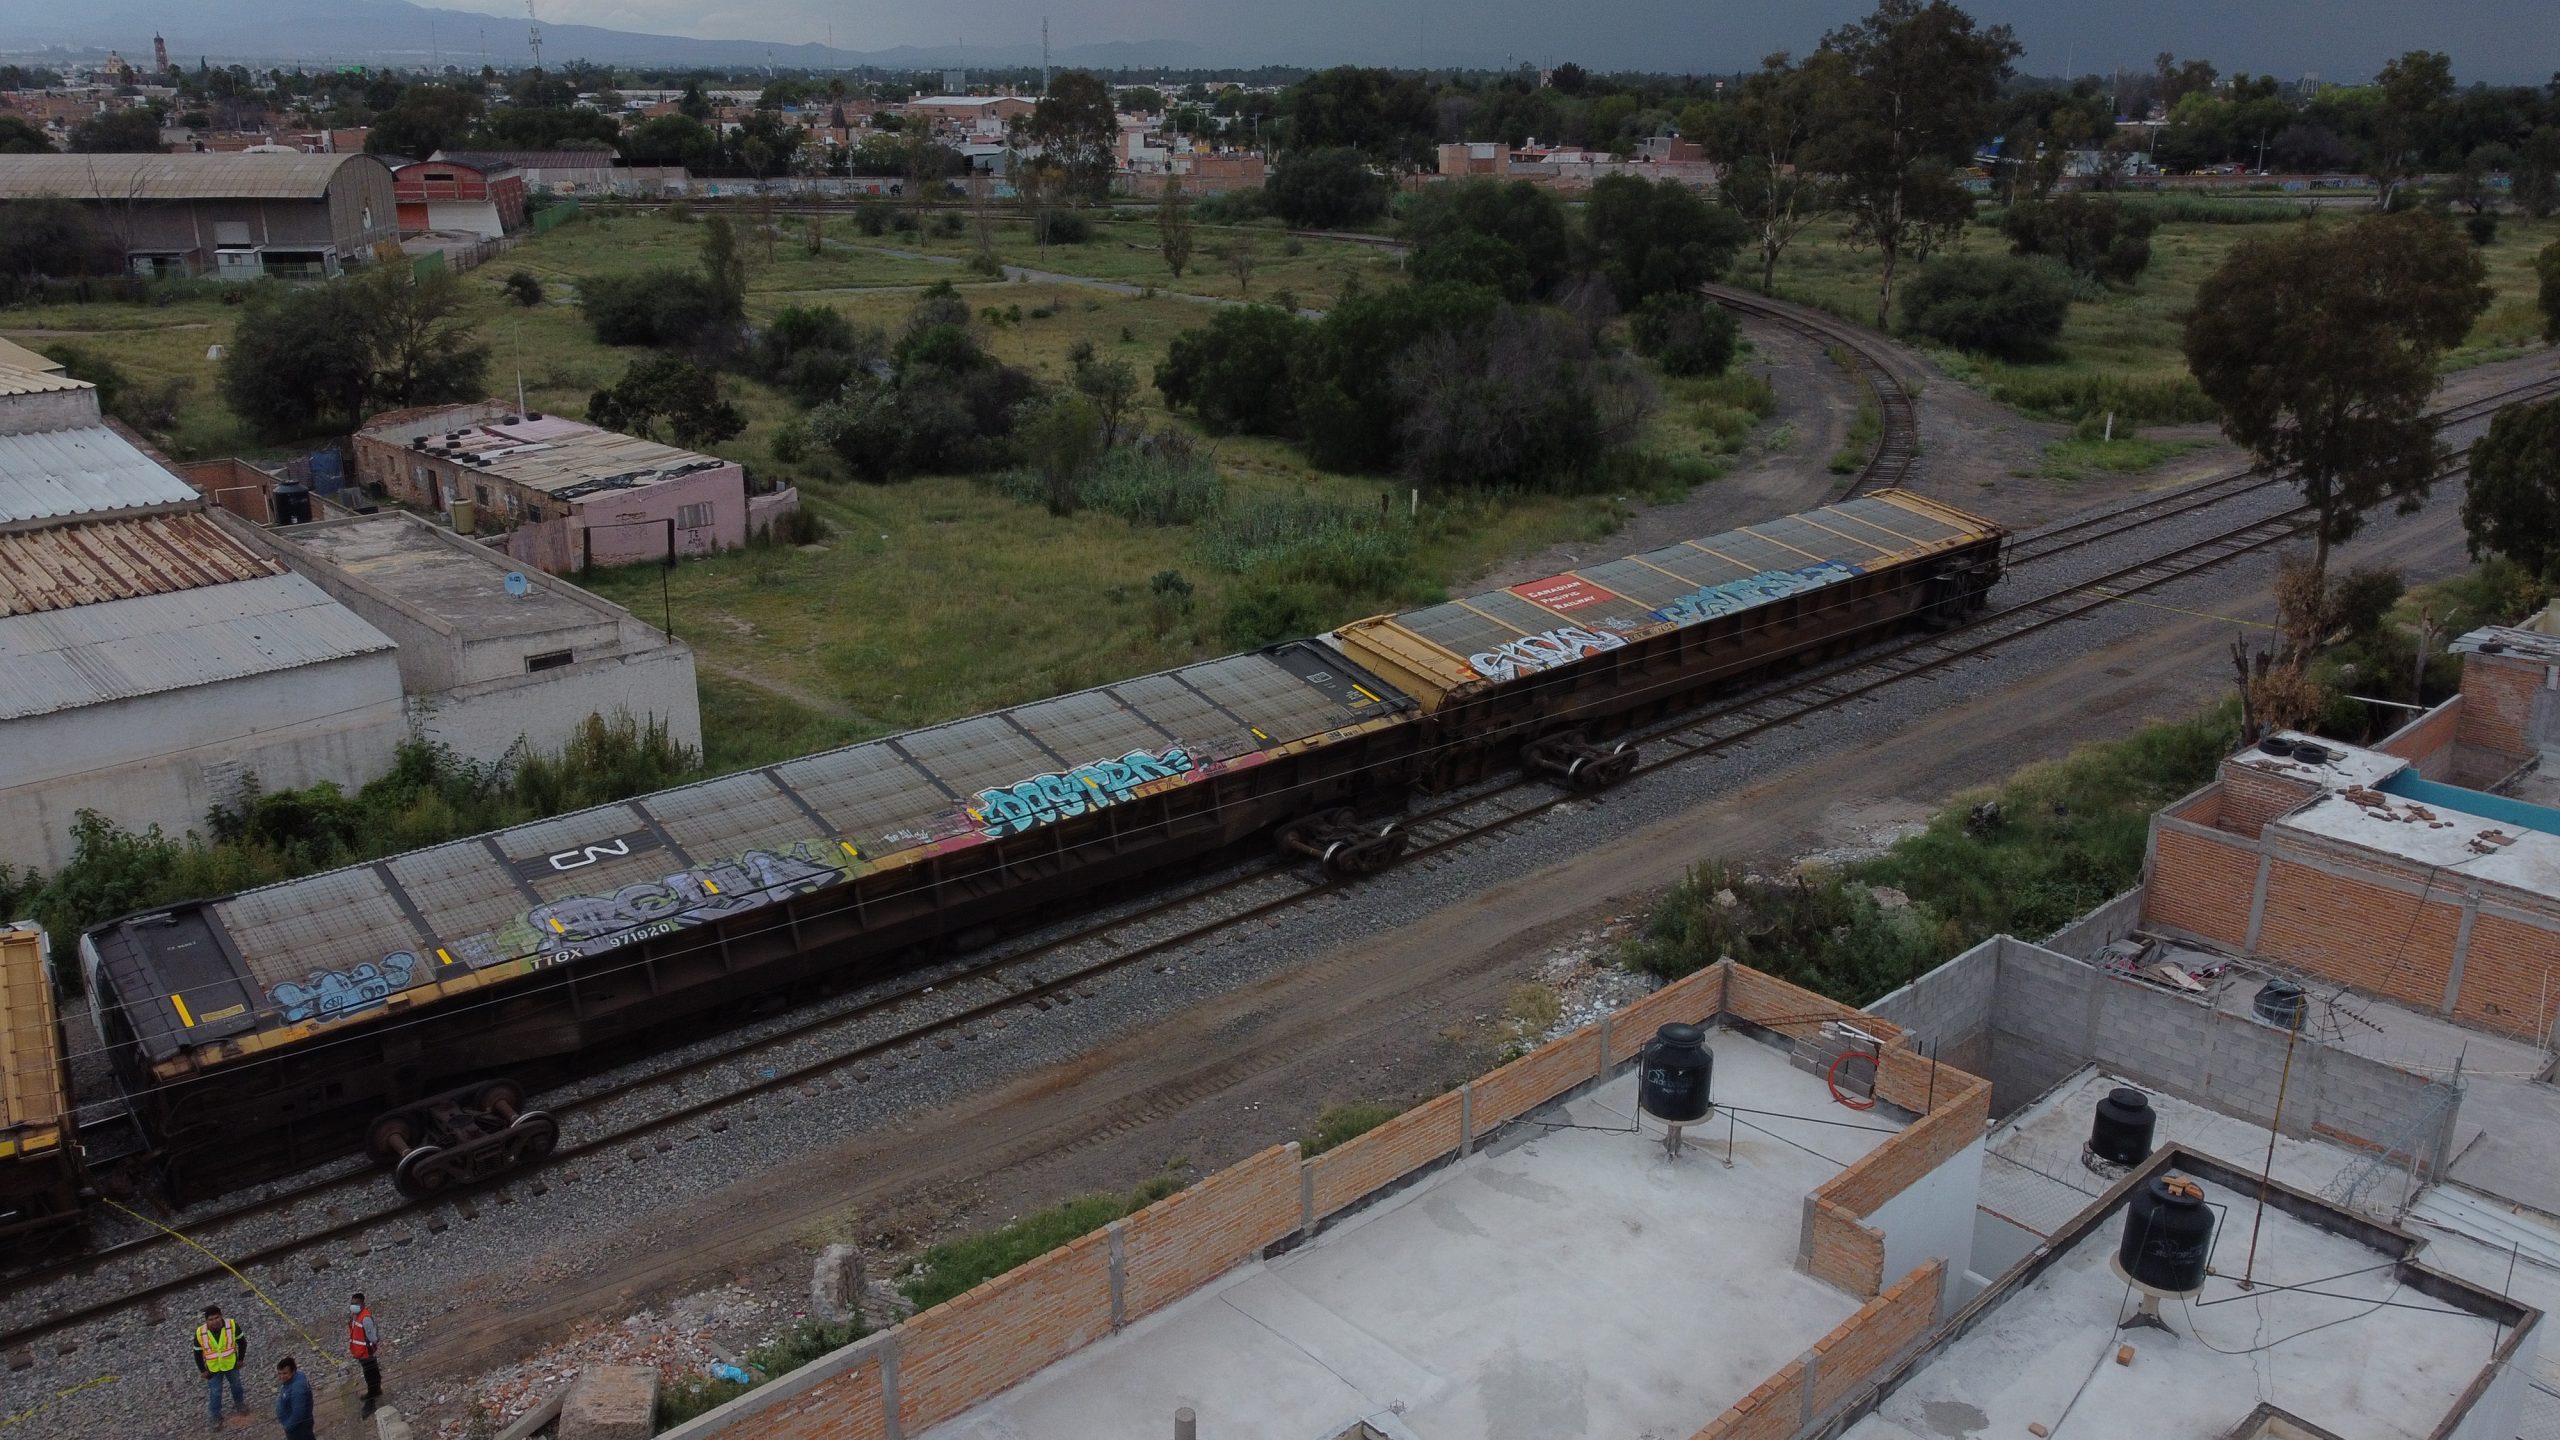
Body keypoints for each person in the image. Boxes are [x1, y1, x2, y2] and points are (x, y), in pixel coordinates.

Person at [193, 1304, 247, 1432]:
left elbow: (242, 1342)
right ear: (206, 1321)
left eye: (216, 1318)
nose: (214, 1321)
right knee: (215, 1392)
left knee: (237, 1385)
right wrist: (202, 1370)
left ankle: (239, 1404)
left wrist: (240, 1359)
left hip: (231, 1364)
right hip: (213, 1368)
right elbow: (197, 1353)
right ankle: (215, 1417)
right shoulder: (200, 1332)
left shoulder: (231, 1325)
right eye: (211, 1319)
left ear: (221, 1316)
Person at [348, 1292, 383, 1417]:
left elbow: (373, 1338)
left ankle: (371, 1401)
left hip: (366, 1353)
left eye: (356, 1303)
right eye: (352, 1303)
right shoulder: (355, 1316)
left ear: (363, 1303)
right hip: (361, 1353)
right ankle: (376, 1391)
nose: (353, 1306)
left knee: (370, 1377)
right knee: (372, 1374)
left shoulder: (365, 1318)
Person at [274, 1357, 314, 1440]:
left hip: (299, 1428)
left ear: (293, 1371)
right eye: (279, 1373)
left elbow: (299, 1412)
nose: (281, 1377)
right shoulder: (295, 1378)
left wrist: (288, 1426)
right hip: (297, 1426)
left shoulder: (297, 1389)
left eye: (285, 1373)